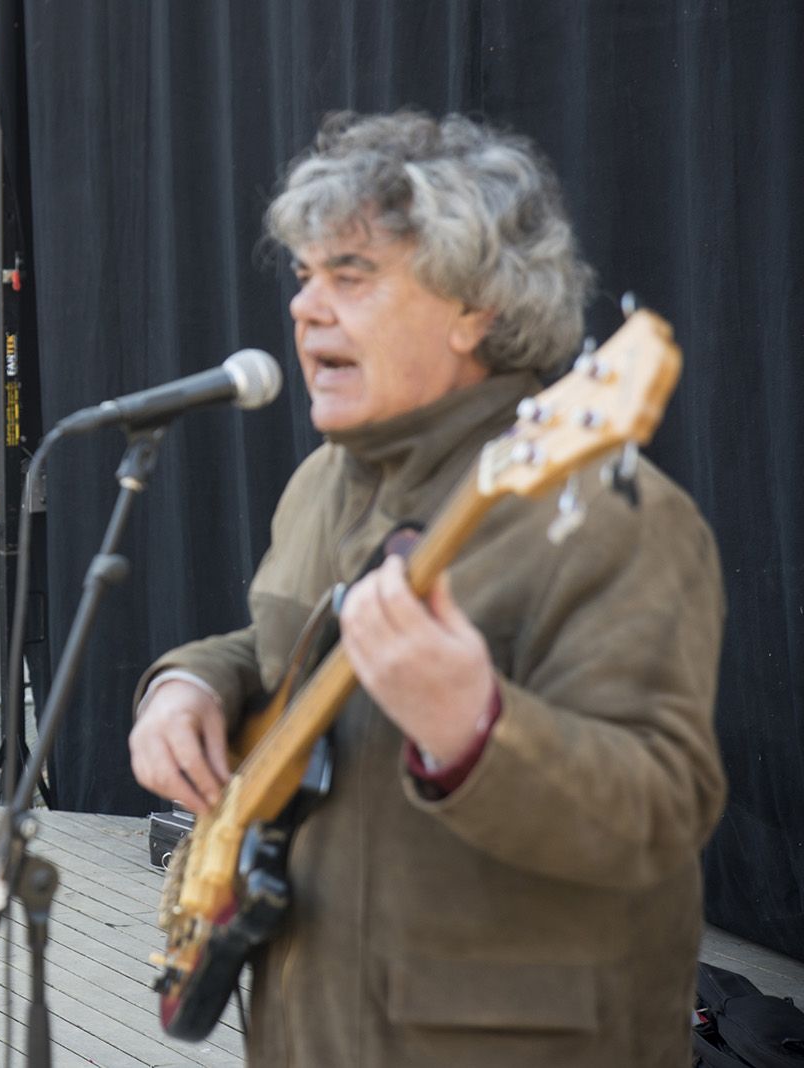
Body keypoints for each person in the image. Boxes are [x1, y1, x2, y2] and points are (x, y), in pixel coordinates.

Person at [128, 111, 727, 1067]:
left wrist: (476, 729)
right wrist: (190, 684)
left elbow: (661, 812)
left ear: (476, 307)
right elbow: (288, 647)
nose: (305, 307)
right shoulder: (325, 479)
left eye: (351, 275)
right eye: (304, 274)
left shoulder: (610, 515)